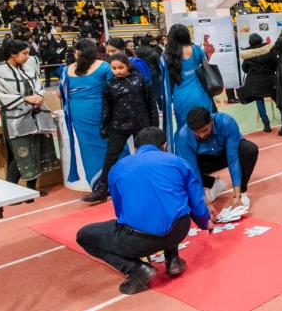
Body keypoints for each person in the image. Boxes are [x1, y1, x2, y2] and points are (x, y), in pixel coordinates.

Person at [75, 127, 211, 295]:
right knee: (169, 203)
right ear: (165, 146)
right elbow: (195, 200)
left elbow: (120, 211)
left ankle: (136, 268)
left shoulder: (117, 168)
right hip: (179, 231)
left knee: (84, 235)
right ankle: (173, 260)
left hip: (138, 240)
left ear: (135, 148)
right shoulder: (178, 161)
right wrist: (205, 222)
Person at [0, 38, 58, 192]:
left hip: (35, 116)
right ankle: (11, 190)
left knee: (36, 150)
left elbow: (39, 86)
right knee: (20, 153)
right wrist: (25, 99)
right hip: (14, 119)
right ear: (13, 54)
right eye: (24, 53)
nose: (28, 57)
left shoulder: (28, 69)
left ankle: (31, 189)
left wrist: (38, 98)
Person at [175, 107, 259, 223]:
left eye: (205, 130)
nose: (201, 135)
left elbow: (233, 158)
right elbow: (193, 170)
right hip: (203, 160)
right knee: (180, 169)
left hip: (224, 153)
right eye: (197, 133)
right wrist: (204, 203)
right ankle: (212, 183)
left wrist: (237, 195)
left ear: (211, 121)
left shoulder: (227, 122)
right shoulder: (183, 136)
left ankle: (243, 191)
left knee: (248, 149)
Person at [60, 38, 116, 201]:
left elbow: (62, 93)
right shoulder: (104, 66)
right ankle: (113, 183)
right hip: (98, 110)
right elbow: (114, 89)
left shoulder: (67, 70)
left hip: (81, 112)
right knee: (109, 145)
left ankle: (99, 187)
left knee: (90, 148)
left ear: (77, 53)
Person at [100, 54, 160, 192]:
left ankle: (153, 183)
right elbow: (106, 108)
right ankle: (102, 188)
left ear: (127, 66)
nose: (117, 71)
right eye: (114, 68)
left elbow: (151, 103)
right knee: (110, 157)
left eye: (121, 67)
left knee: (147, 155)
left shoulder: (140, 80)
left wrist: (154, 125)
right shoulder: (109, 85)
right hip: (118, 126)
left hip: (141, 124)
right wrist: (104, 127)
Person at [160, 23, 215, 147]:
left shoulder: (167, 55)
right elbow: (207, 68)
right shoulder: (197, 49)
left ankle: (187, 154)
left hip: (181, 97)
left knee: (184, 130)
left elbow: (164, 80)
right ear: (187, 35)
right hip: (201, 94)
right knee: (206, 125)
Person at [237, 33, 277, 133]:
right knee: (278, 99)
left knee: (259, 102)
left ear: (250, 42)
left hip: (255, 82)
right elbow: (275, 64)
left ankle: (266, 125)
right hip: (270, 80)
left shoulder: (248, 53)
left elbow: (244, 69)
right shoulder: (269, 49)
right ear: (260, 40)